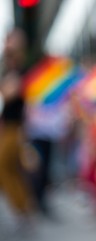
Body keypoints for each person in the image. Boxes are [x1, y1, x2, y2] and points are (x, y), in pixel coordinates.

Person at [0, 29, 33, 225]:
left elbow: (9, 93)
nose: (6, 44)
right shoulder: (8, 67)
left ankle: (23, 209)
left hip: (16, 126)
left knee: (4, 166)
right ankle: (23, 209)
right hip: (9, 126)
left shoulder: (20, 68)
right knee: (10, 168)